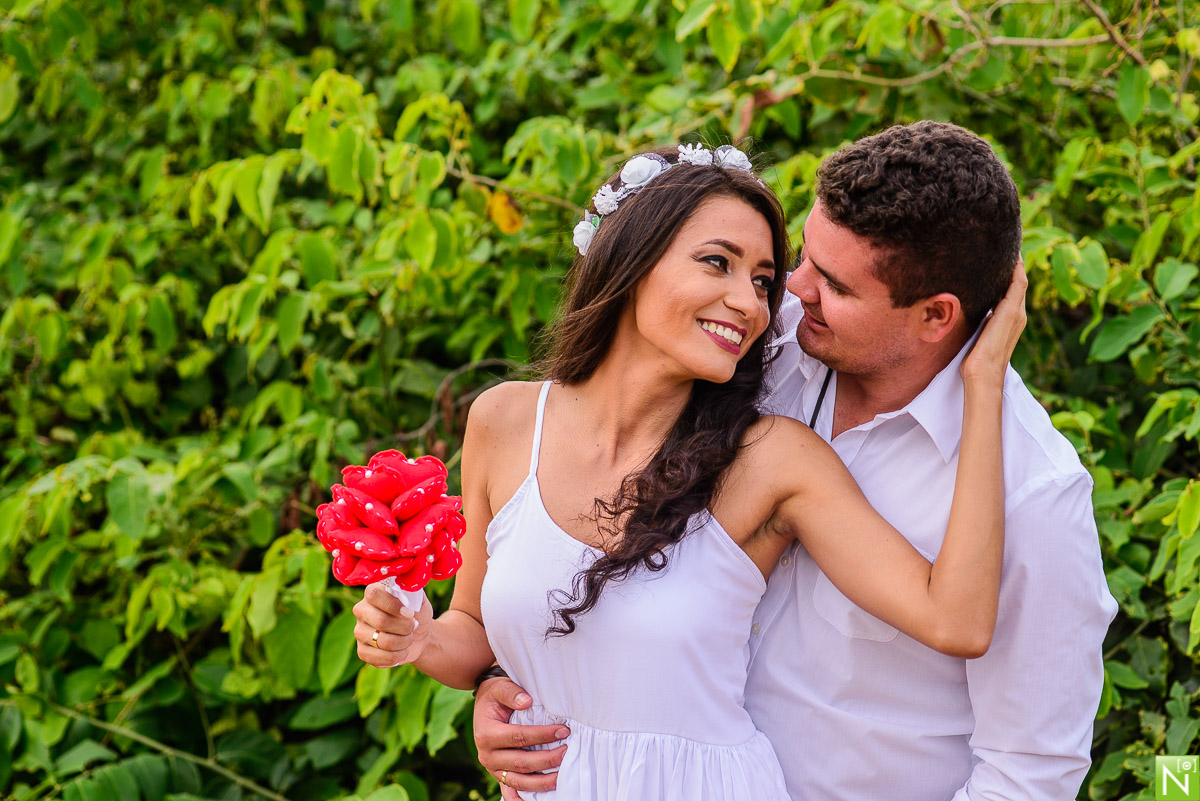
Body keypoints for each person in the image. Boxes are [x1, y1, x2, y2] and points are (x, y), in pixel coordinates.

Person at [352, 139, 1026, 800]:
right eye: (717, 263)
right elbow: (473, 634)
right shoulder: (502, 422)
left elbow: (956, 621)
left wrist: (984, 379)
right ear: (632, 257)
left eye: (761, 281)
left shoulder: (772, 461)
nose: (751, 304)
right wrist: (416, 636)